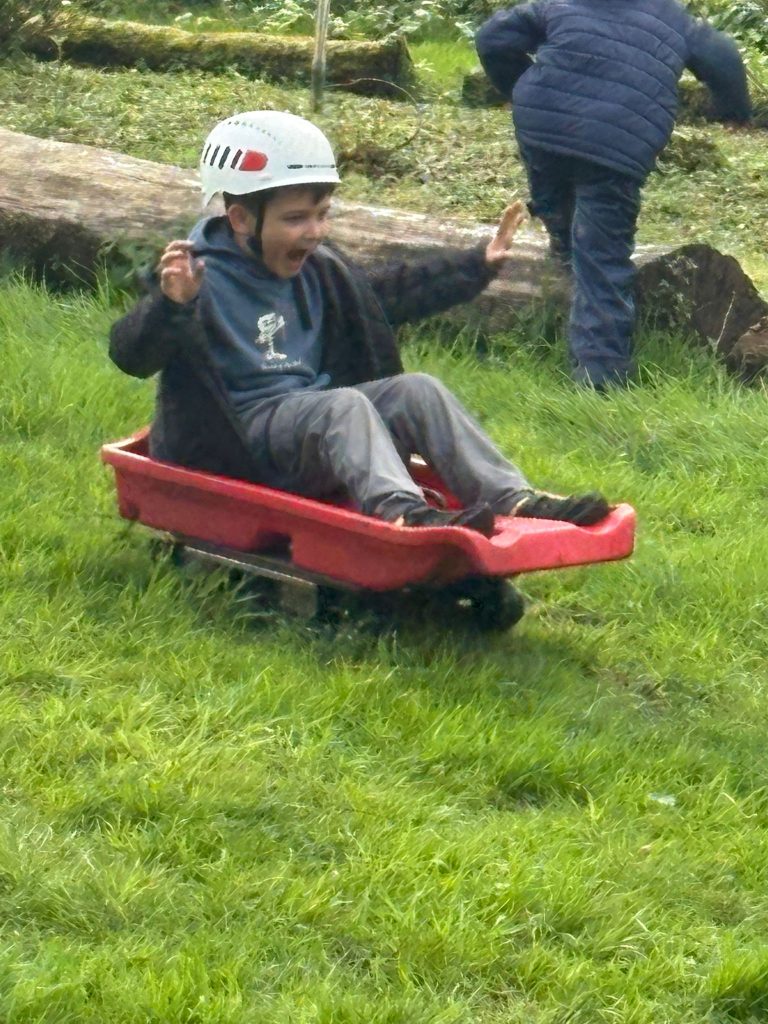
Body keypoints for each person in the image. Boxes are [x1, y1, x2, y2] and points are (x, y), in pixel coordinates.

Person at [109, 110, 611, 536]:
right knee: (342, 404)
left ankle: (510, 497)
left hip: (311, 430)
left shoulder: (319, 269)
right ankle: (402, 512)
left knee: (417, 389)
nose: (314, 232)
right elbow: (130, 353)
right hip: (240, 443)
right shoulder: (196, 280)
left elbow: (389, 294)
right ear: (241, 219)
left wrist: (476, 264)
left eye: (322, 214)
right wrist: (170, 306)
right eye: (295, 219)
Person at [475, 0, 752, 389]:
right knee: (602, 257)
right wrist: (734, 111)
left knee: (555, 199)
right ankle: (600, 377)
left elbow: (492, 38)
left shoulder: (560, 4)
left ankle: (563, 243)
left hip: (544, 127)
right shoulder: (673, 17)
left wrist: (520, 86)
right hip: (616, 143)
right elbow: (723, 56)